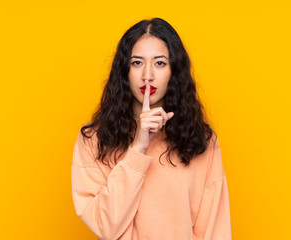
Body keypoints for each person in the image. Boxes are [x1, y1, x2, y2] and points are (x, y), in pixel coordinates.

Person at [71, 17, 231, 240]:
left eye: (160, 63)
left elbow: (214, 229)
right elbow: (105, 226)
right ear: (124, 70)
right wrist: (138, 147)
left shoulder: (200, 140)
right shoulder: (94, 139)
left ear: (174, 71)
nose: (148, 75)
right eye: (137, 62)